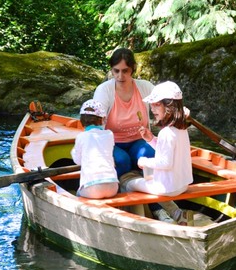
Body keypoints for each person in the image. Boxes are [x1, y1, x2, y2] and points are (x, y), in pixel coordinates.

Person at [123, 81, 193, 224]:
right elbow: (167, 152)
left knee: (127, 183)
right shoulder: (181, 129)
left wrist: (144, 161)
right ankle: (178, 214)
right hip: (182, 185)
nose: (152, 109)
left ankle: (140, 223)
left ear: (168, 107)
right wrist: (150, 139)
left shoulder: (166, 132)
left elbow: (165, 162)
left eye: (156, 104)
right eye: (152, 104)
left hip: (167, 188)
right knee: (149, 181)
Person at [93, 48, 156, 177]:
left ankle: (148, 183)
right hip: (111, 143)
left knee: (151, 155)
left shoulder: (145, 87)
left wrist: (179, 109)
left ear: (133, 68)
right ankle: (118, 187)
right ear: (111, 69)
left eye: (125, 71)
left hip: (138, 141)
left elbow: (165, 101)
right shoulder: (104, 91)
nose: (120, 76)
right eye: (116, 71)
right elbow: (94, 123)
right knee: (122, 161)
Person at [71, 99, 120, 199]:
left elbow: (78, 161)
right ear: (102, 120)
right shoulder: (109, 134)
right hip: (113, 187)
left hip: (92, 188)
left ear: (82, 120)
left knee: (76, 194)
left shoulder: (81, 136)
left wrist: (73, 151)